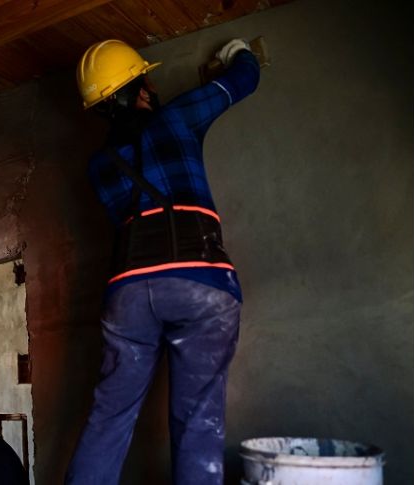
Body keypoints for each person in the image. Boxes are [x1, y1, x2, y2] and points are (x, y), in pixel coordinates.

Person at [65, 38, 260, 485]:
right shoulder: (177, 118)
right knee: (197, 421)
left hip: (128, 293)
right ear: (141, 89)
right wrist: (238, 52)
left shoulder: (99, 166)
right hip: (199, 282)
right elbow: (244, 79)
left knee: (109, 418)